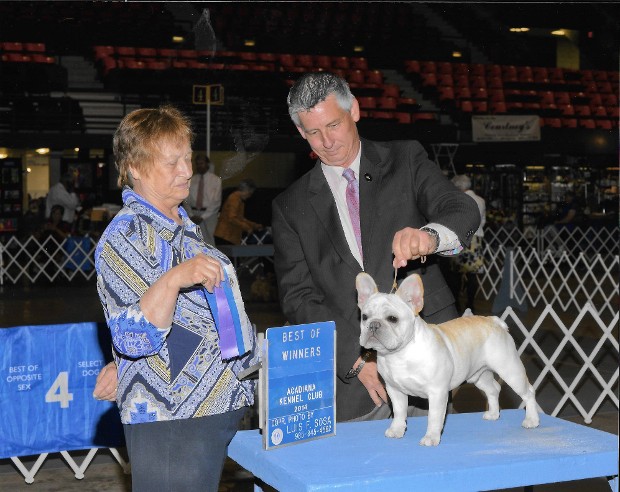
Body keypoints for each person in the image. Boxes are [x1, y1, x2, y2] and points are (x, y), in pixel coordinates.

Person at [271, 72, 480, 422]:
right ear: (300, 132)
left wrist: (429, 236)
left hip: (427, 355)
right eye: (313, 132)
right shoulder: (289, 206)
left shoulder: (406, 158)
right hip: (357, 381)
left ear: (354, 109)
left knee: (431, 467)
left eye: (334, 125)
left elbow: (462, 209)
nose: (327, 141)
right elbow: (297, 296)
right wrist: (355, 359)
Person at [93, 105, 258, 492]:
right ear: (135, 166)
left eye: (187, 157)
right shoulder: (126, 235)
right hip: (171, 415)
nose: (186, 170)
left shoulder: (184, 226)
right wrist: (173, 280)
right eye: (172, 162)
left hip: (216, 404)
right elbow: (133, 336)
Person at [450, 174, 486, 313]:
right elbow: (482, 221)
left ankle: (457, 303)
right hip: (476, 240)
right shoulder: (481, 200)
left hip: (460, 239)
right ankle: (471, 303)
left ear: (458, 187)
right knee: (472, 275)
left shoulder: (458, 199)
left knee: (455, 274)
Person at [213, 179, 263, 245]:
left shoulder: (238, 200)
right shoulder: (235, 199)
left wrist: (254, 225)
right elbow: (232, 218)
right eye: (250, 193)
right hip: (226, 235)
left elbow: (239, 218)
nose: (250, 196)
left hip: (226, 235)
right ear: (246, 190)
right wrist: (247, 228)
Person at [187, 154, 222, 245]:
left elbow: (216, 201)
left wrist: (203, 217)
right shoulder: (191, 180)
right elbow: (186, 199)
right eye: (197, 164)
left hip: (210, 215)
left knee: (210, 241)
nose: (199, 166)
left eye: (201, 163)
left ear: (207, 164)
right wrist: (191, 214)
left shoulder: (215, 180)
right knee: (194, 241)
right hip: (193, 214)